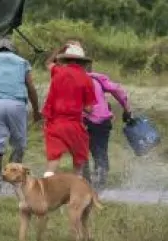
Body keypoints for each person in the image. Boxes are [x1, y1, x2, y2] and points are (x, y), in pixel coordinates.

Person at [0, 37, 41, 192]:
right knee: (19, 145)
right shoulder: (22, 62)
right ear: (12, 50)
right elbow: (31, 88)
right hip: (17, 105)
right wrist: (36, 111)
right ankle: (12, 186)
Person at [41, 40, 97, 178]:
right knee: (79, 160)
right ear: (82, 62)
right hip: (75, 124)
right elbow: (89, 109)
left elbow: (48, 63)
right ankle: (75, 188)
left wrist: (62, 47)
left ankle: (46, 187)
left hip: (55, 123)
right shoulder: (87, 79)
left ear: (65, 58)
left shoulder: (58, 71)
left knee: (53, 159)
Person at [82, 60, 133, 191]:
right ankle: (99, 184)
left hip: (80, 121)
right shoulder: (98, 79)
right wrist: (127, 109)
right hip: (101, 120)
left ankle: (86, 184)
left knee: (81, 153)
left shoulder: (69, 80)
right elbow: (117, 90)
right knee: (100, 152)